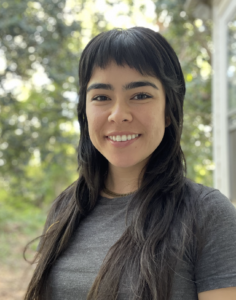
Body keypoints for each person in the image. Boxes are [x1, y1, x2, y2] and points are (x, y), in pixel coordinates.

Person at [24, 27, 236, 300]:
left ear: (169, 111)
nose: (118, 114)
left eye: (140, 95)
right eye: (101, 97)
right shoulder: (66, 209)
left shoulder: (207, 214)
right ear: (85, 112)